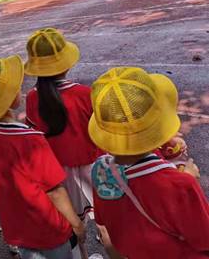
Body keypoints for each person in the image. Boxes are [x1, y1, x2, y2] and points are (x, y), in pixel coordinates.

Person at [0, 56, 86, 259]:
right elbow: (55, 191)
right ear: (7, 97)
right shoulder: (30, 139)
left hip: (19, 226)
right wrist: (76, 223)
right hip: (47, 228)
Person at [89, 67, 209, 258]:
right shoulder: (181, 184)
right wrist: (190, 179)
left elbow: (105, 222)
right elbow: (203, 239)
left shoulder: (99, 170)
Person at [23, 28, 104, 256]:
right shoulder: (84, 93)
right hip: (92, 168)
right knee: (105, 222)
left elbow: (35, 137)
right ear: (65, 64)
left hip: (58, 175)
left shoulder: (33, 98)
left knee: (74, 227)